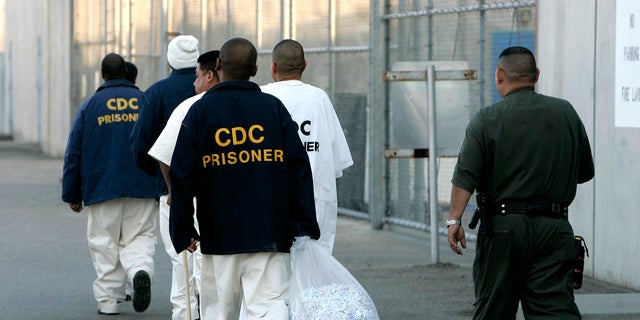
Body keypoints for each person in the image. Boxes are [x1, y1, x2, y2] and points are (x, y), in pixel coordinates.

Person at [169, 37, 321, 320]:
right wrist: (305, 224)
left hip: (218, 234)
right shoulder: (272, 108)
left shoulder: (200, 111)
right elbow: (299, 168)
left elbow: (181, 174)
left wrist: (182, 228)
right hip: (270, 232)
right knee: (269, 305)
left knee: (219, 310)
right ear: (255, 69)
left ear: (217, 66)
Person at [446, 46, 595, 319]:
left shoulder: (486, 118)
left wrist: (454, 220)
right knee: (555, 312)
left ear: (499, 76)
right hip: (554, 227)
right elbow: (584, 171)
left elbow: (466, 174)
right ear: (536, 75)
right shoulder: (566, 113)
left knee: (494, 310)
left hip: (503, 230)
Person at [61, 52, 158, 315]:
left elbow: (75, 152)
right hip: (143, 184)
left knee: (104, 241)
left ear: (102, 75)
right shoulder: (144, 101)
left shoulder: (91, 105)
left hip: (102, 186)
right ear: (126, 73)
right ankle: (139, 269)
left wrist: (72, 192)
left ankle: (108, 300)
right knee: (139, 236)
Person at [129, 35, 201, 320]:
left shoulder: (157, 93)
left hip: (169, 186)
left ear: (170, 59)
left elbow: (140, 143)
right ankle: (208, 307)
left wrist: (155, 177)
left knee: (179, 252)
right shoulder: (212, 89)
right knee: (212, 252)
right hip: (214, 182)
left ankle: (187, 312)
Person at [261, 39, 353, 254]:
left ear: (273, 66)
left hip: (271, 196)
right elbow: (337, 161)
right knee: (313, 272)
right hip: (315, 198)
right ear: (305, 65)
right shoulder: (318, 98)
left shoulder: (262, 96)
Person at [147, 50, 221, 314]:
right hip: (228, 200)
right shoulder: (254, 103)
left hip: (193, 198)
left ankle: (186, 314)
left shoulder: (190, 107)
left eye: (197, 75)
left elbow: (164, 157)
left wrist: (172, 191)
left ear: (210, 75)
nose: (193, 82)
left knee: (185, 262)